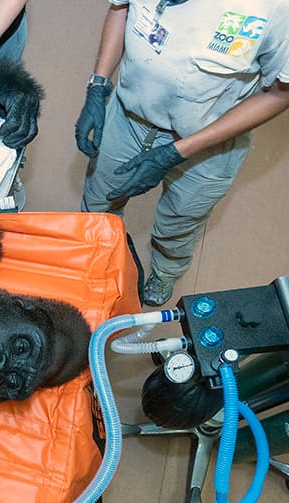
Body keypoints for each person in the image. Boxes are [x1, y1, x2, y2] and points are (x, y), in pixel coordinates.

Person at [75, 1, 289, 306]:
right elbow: (119, 10)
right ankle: (97, 253)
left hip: (210, 140)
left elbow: (280, 93)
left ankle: (165, 271)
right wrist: (97, 86)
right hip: (128, 115)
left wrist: (175, 153)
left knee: (179, 221)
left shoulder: (276, 9)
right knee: (99, 199)